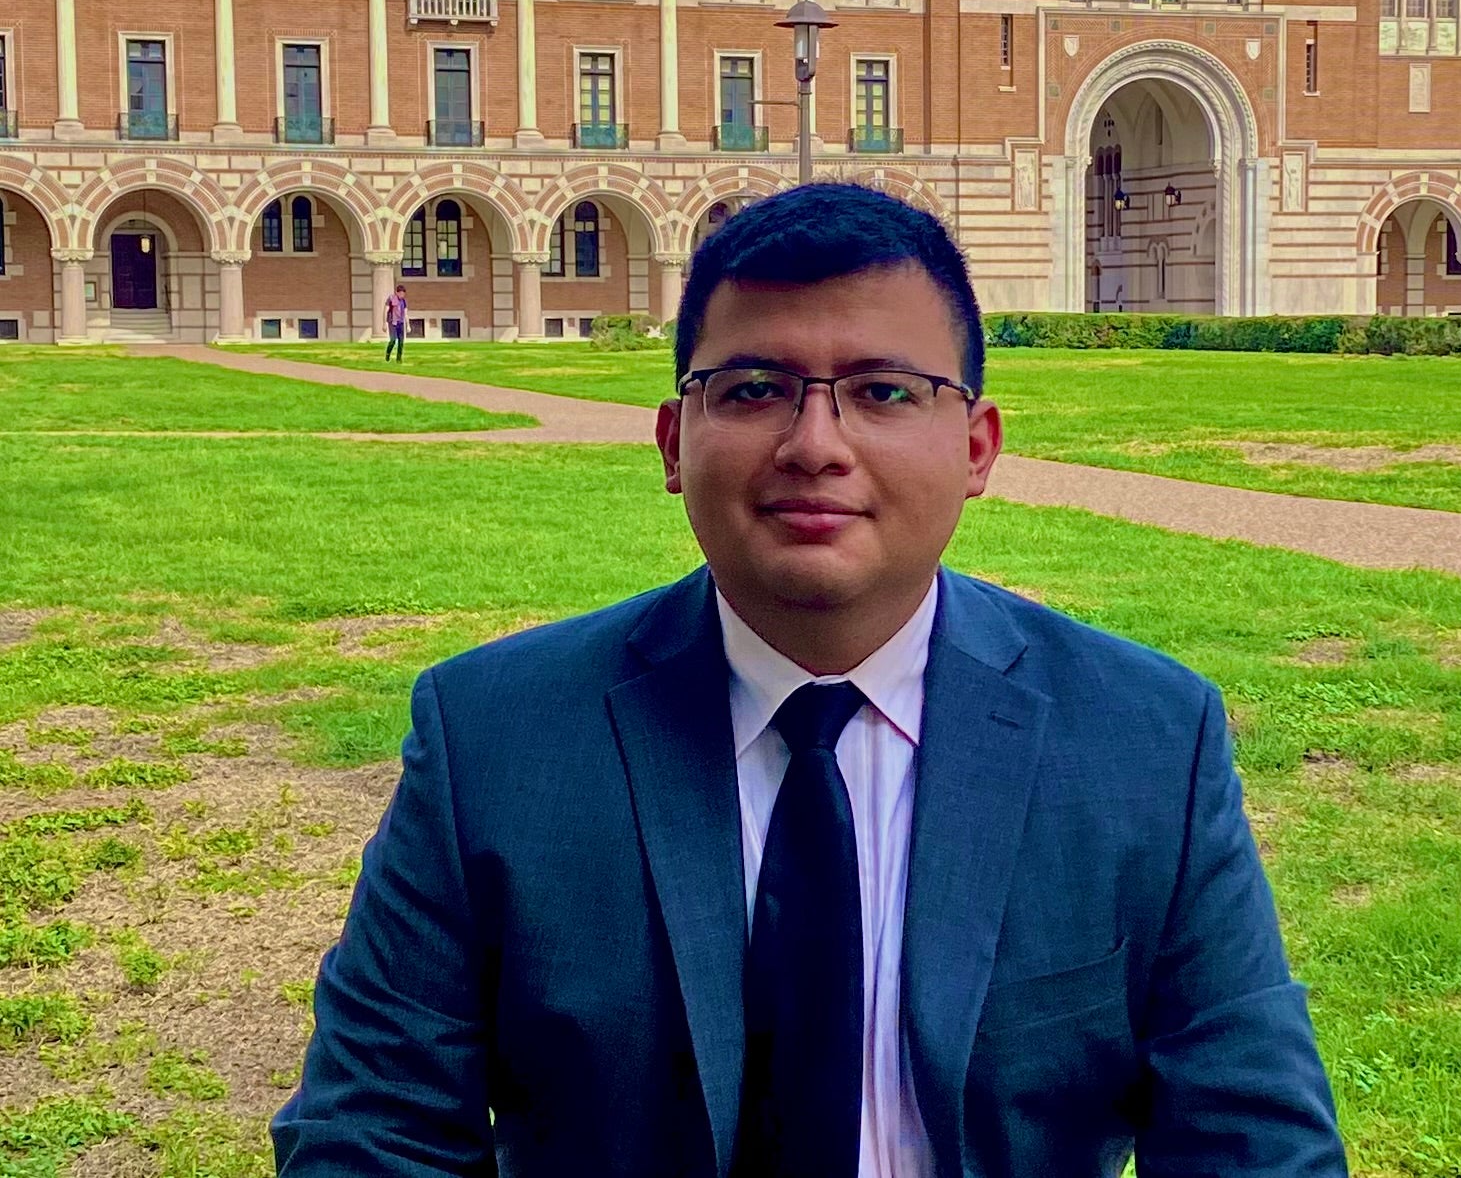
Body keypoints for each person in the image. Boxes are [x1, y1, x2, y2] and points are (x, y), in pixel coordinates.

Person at [273, 182, 1347, 1177]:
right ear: (671, 439)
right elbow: (374, 1134)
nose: (815, 443)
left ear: (977, 446)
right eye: (754, 388)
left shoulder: (1146, 741)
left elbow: (1254, 1143)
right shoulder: (494, 740)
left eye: (883, 390)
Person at [383, 282, 407, 363]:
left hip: (400, 323)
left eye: (403, 294)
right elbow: (385, 310)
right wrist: (384, 323)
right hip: (392, 322)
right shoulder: (391, 299)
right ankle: (387, 354)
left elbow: (406, 313)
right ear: (396, 292)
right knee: (393, 340)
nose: (402, 295)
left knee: (401, 342)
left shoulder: (403, 301)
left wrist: (408, 325)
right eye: (400, 293)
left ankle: (399, 358)